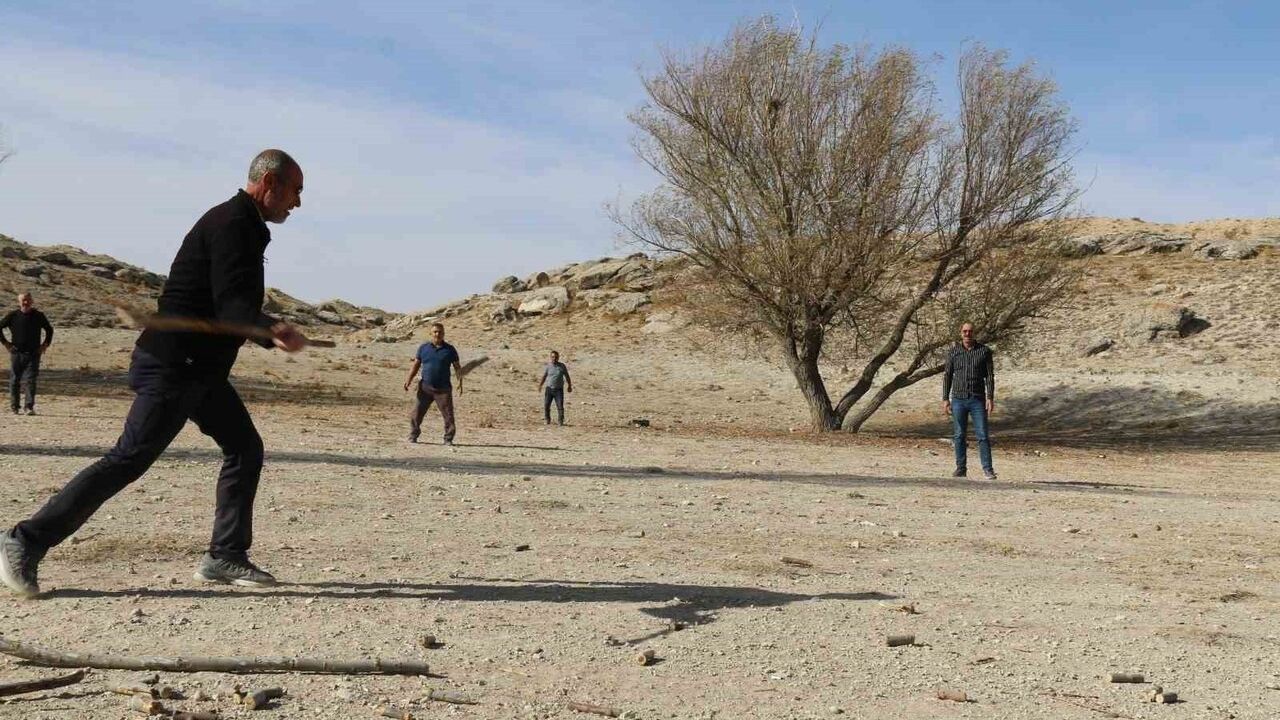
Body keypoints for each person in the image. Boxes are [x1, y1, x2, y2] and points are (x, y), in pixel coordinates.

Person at [0, 149, 308, 598]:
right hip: (172, 367)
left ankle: (225, 555)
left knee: (244, 447)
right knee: (127, 460)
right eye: (295, 190)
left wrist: (265, 328)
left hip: (199, 371)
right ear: (270, 183)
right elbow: (233, 307)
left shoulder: (242, 223)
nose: (297, 202)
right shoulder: (234, 223)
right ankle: (24, 540)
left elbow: (229, 304)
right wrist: (272, 329)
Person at [942, 322, 996, 480]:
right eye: (964, 331)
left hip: (977, 399)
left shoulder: (984, 351)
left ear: (974, 333)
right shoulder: (953, 352)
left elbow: (990, 377)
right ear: (960, 333)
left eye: (970, 331)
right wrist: (945, 398)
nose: (967, 334)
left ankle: (988, 469)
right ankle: (961, 468)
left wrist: (990, 397)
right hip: (958, 399)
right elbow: (947, 376)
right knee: (959, 435)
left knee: (983, 435)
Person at [404, 322, 463, 445]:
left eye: (440, 332)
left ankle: (448, 439)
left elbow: (457, 367)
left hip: (443, 389)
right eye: (435, 331)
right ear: (431, 333)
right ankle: (413, 435)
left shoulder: (450, 350)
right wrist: (408, 379)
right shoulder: (423, 348)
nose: (438, 334)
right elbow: (415, 365)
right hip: (425, 387)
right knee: (417, 413)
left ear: (444, 333)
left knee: (448, 416)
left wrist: (460, 382)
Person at [1, 292, 54, 415]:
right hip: (16, 352)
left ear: (32, 301)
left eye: (28, 300)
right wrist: (6, 343)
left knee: (31, 380)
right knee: (15, 380)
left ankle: (29, 407)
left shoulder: (38, 315)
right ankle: (15, 406)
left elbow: (49, 329)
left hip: (34, 352)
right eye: (23, 300)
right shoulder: (13, 315)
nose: (26, 302)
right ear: (19, 301)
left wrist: (45, 345)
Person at [536, 350, 572, 425]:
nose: (554, 358)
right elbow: (544, 376)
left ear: (558, 357)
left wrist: (569, 386)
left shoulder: (562, 366)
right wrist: (540, 385)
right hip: (549, 389)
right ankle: (547, 419)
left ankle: (560, 421)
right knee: (546, 405)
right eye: (552, 357)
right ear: (550, 357)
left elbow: (567, 376)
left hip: (558, 390)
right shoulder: (548, 366)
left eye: (556, 357)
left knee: (560, 406)